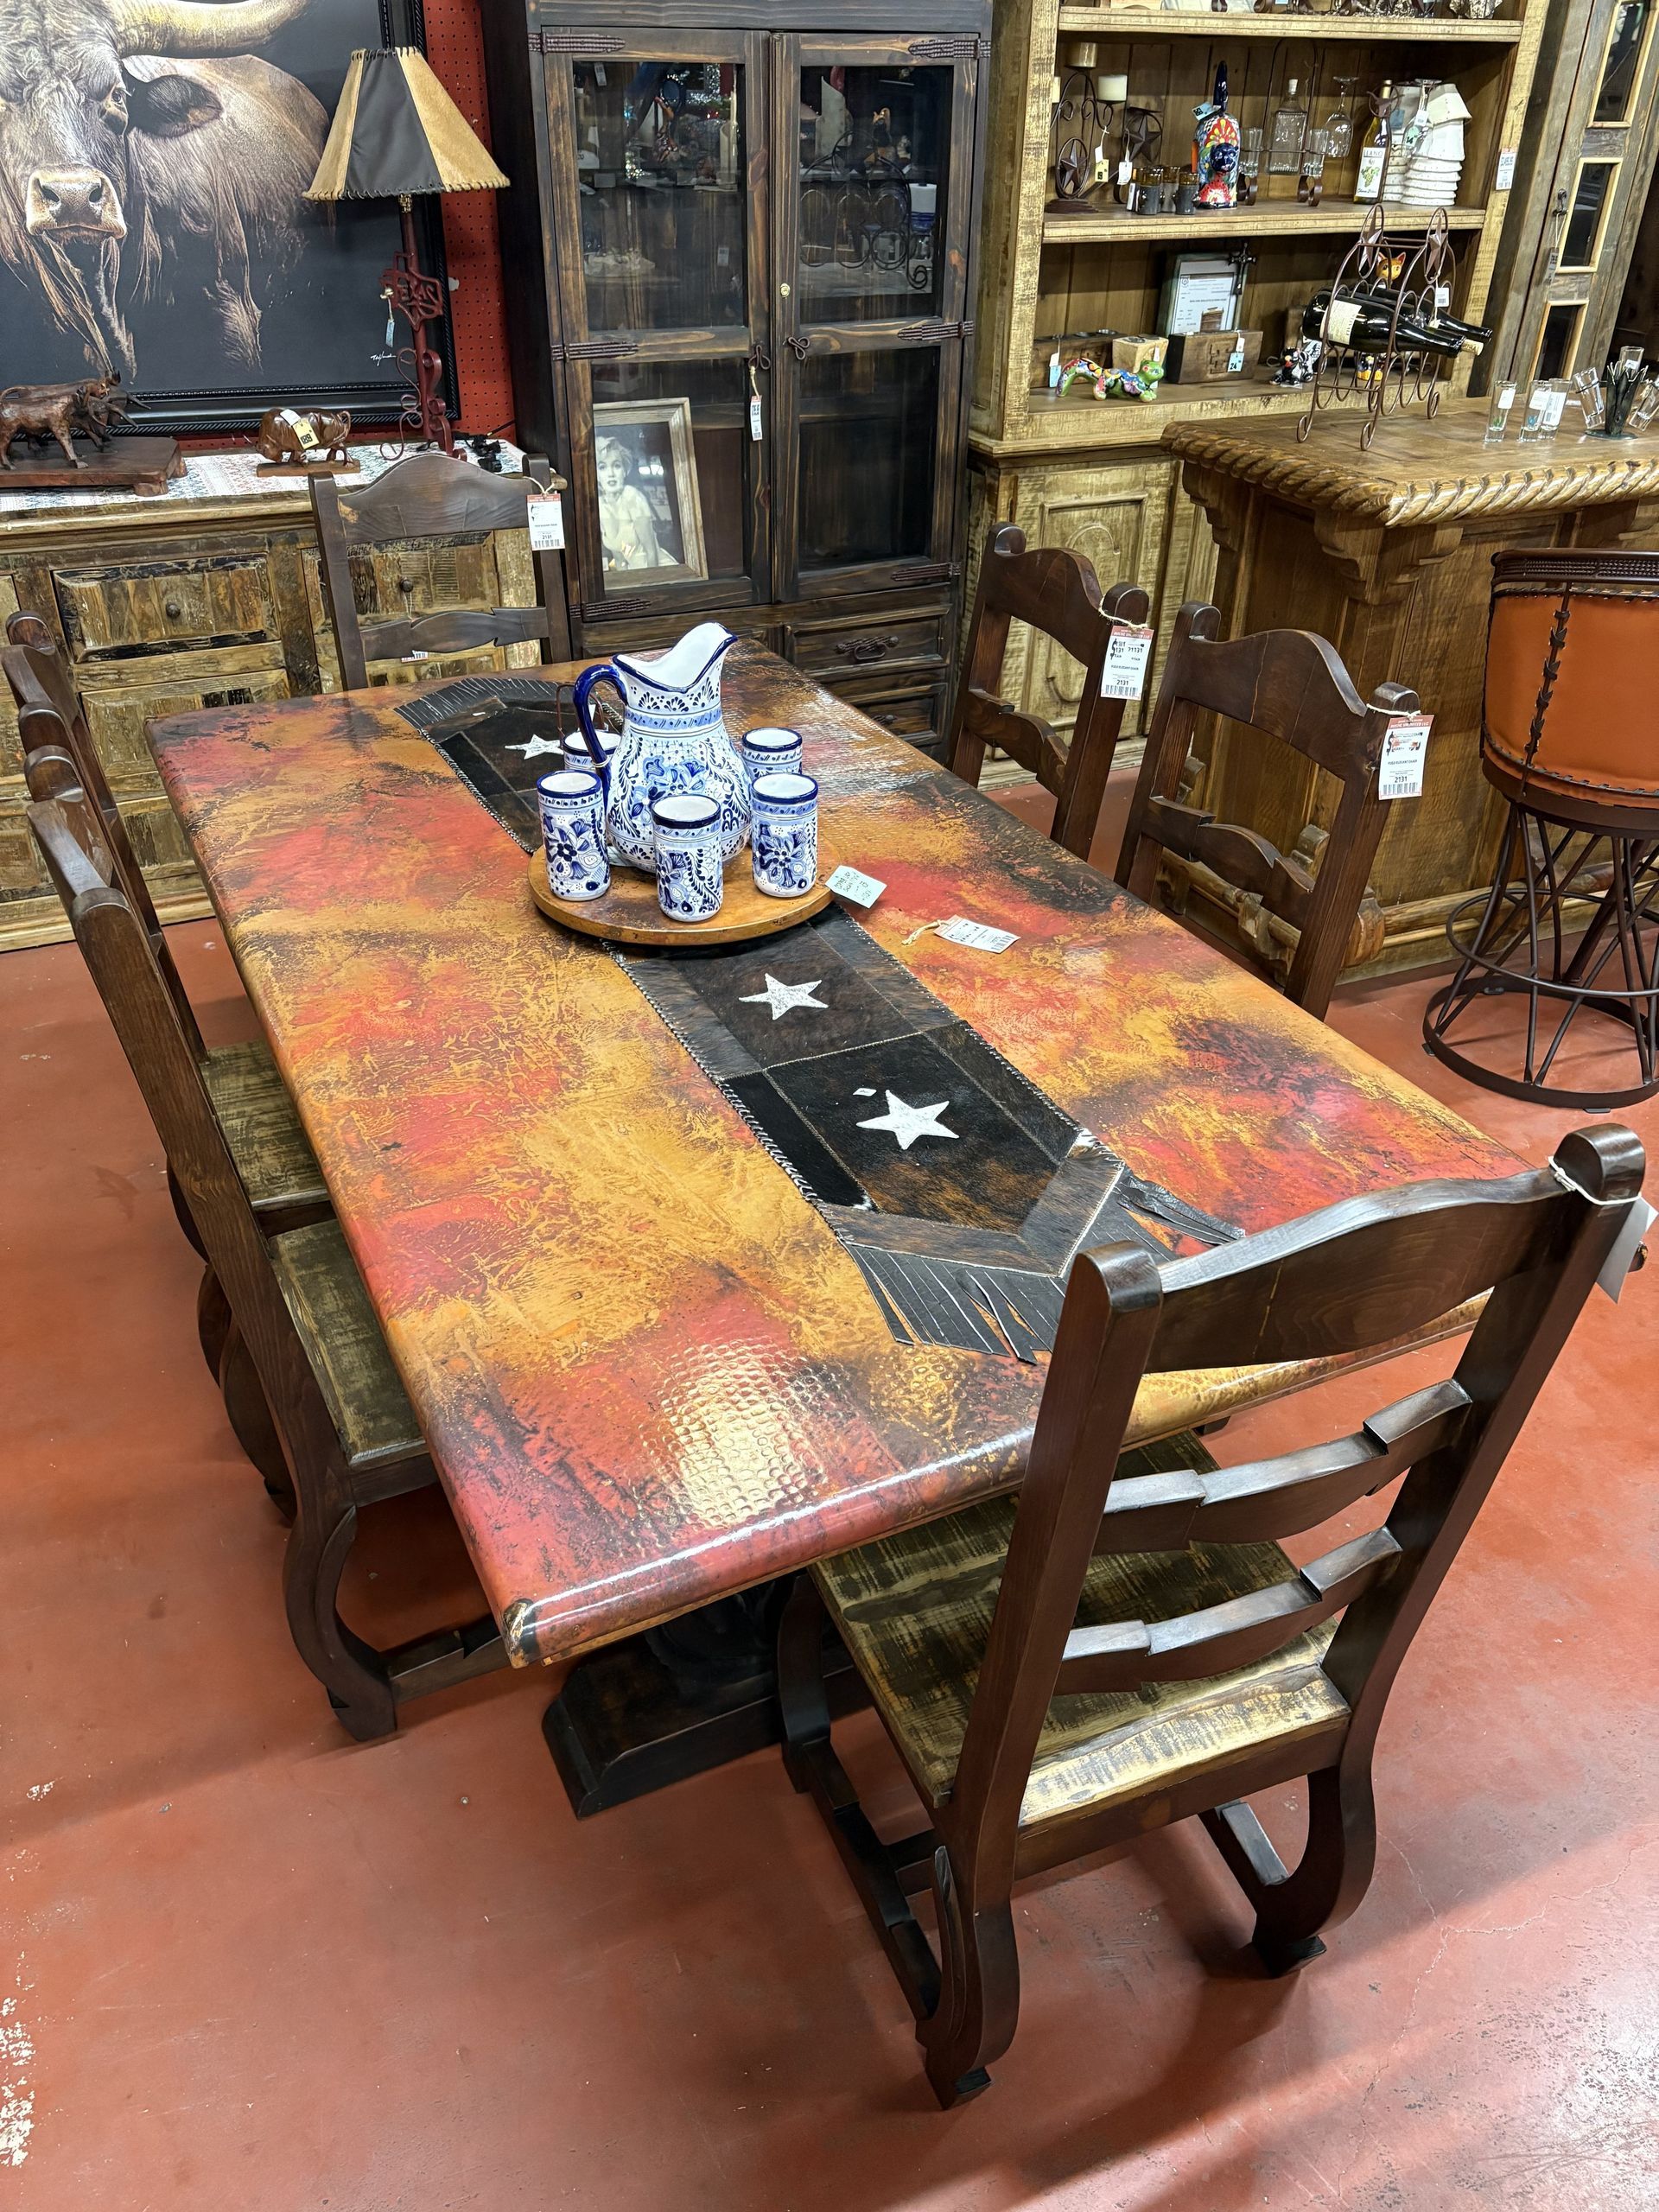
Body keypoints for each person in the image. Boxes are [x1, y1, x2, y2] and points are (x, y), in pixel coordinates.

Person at [595, 435, 673, 569]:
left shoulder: (632, 497)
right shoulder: (600, 506)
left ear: (624, 471)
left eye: (617, 466)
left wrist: (650, 582)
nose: (611, 473)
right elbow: (620, 560)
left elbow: (651, 553)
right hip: (635, 575)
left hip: (659, 571)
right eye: (602, 467)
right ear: (596, 474)